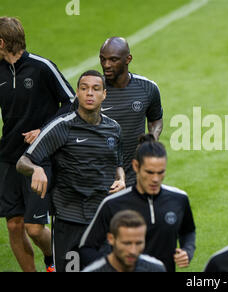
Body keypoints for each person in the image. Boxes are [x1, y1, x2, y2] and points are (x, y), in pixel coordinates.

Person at [16, 70, 125, 272]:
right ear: (77, 93)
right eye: (84, 89)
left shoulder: (114, 129)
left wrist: (121, 179)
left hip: (101, 219)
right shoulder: (61, 127)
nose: (89, 93)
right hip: (69, 220)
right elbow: (23, 161)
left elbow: (118, 163)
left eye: (95, 89)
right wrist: (36, 169)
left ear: (104, 94)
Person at [0, 16, 74, 272]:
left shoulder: (42, 67)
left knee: (34, 227)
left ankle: (52, 259)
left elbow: (71, 103)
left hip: (39, 158)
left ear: (1, 42)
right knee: (13, 225)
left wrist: (43, 130)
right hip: (8, 158)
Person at [79, 134, 196, 272]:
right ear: (136, 166)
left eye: (161, 172)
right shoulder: (112, 204)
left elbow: (188, 231)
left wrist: (187, 251)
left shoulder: (179, 199)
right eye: (150, 172)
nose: (155, 179)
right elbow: (87, 248)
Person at [96, 37, 163, 187]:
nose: (106, 65)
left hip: (134, 177)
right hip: (98, 177)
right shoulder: (92, 91)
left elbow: (155, 119)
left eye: (113, 60)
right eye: (102, 59)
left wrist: (152, 137)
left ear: (128, 59)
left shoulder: (147, 88)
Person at [82, 210, 166, 272]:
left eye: (138, 243)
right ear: (111, 239)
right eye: (127, 243)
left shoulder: (156, 269)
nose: (133, 251)